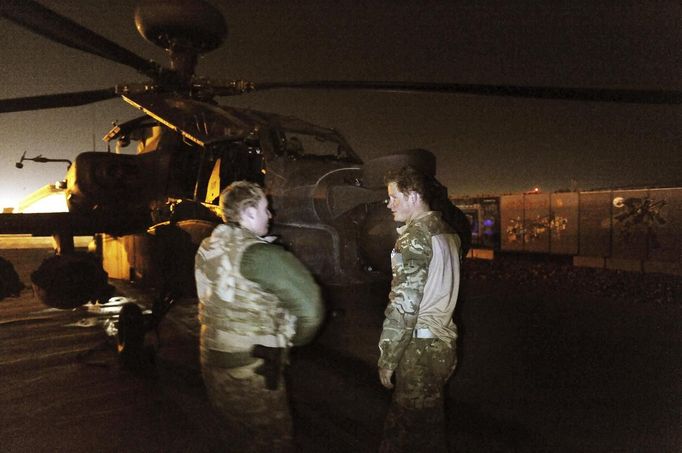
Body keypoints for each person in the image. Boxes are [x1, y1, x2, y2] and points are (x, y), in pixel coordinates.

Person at [195, 180, 324, 452]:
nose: (270, 215)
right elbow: (312, 312)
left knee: (233, 434)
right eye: (266, 209)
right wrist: (289, 342)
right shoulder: (262, 254)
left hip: (212, 361)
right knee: (273, 439)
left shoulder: (208, 247)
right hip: (252, 369)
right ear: (250, 212)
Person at [378, 166, 462, 452]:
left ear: (413, 196)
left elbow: (404, 304)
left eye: (394, 197)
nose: (389, 204)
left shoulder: (414, 237)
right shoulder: (448, 233)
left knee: (407, 433)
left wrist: (387, 356)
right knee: (429, 428)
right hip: (443, 343)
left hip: (420, 349)